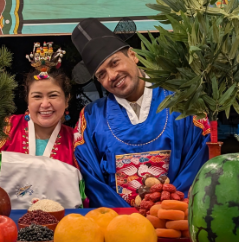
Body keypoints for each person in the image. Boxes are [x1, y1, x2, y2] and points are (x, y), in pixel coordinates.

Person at [71, 19, 210, 207]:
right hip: (118, 225)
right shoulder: (90, 118)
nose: (112, 76)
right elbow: (92, 179)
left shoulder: (182, 103)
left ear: (133, 55)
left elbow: (197, 163)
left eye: (115, 63)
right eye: (101, 74)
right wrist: (125, 218)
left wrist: (168, 208)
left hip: (172, 220)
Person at [0, 42, 84, 209]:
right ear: (27, 98)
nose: (45, 104)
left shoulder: (77, 141)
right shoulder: (5, 128)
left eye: (53, 96)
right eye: (37, 96)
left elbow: (84, 193)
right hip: (3, 224)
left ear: (67, 99)